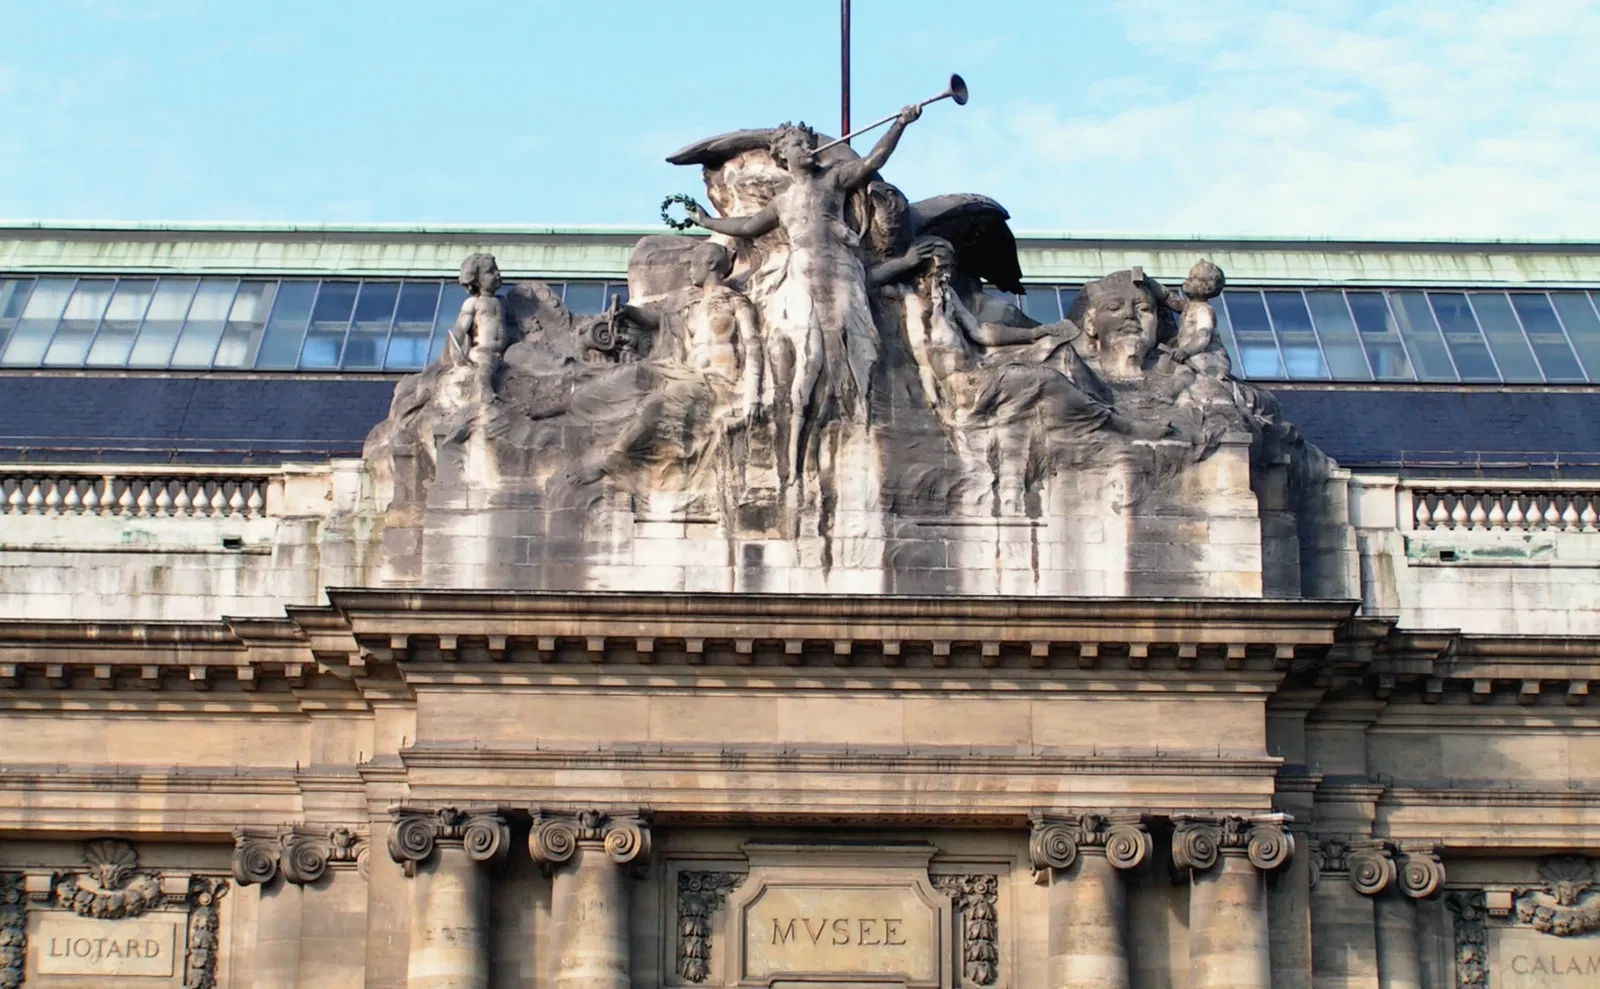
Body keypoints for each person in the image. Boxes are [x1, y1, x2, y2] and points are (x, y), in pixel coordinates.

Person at [682, 106, 923, 483]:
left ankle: (859, 436)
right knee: (805, 366)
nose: (808, 150)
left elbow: (875, 160)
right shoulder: (783, 202)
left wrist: (900, 124)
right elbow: (746, 225)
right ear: (783, 156)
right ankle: (793, 455)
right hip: (802, 280)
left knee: (863, 351)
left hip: (842, 275)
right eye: (798, 145)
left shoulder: (834, 180)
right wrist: (705, 221)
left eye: (809, 144)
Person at [445, 253, 509, 406]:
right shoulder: (473, 302)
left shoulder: (502, 302)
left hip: (502, 352)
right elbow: (460, 328)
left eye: (496, 270)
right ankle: (484, 390)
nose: (497, 274)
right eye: (490, 272)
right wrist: (456, 353)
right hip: (481, 351)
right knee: (487, 364)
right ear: (476, 280)